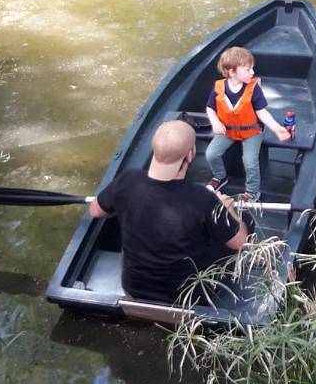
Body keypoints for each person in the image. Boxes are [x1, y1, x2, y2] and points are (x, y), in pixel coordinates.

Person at [89, 119, 250, 304]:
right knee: (244, 221)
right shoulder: (203, 198)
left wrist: (123, 204)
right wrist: (228, 209)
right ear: (190, 155)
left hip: (134, 288)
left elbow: (95, 211)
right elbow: (241, 243)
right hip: (190, 297)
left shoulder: (127, 180)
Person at [205, 46, 291, 203]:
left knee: (249, 160)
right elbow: (210, 108)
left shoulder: (253, 89)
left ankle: (252, 192)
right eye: (247, 69)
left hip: (252, 132)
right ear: (232, 72)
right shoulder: (219, 88)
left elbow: (262, 112)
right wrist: (215, 122)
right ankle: (220, 177)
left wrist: (277, 128)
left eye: (252, 68)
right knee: (211, 154)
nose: (252, 72)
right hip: (228, 130)